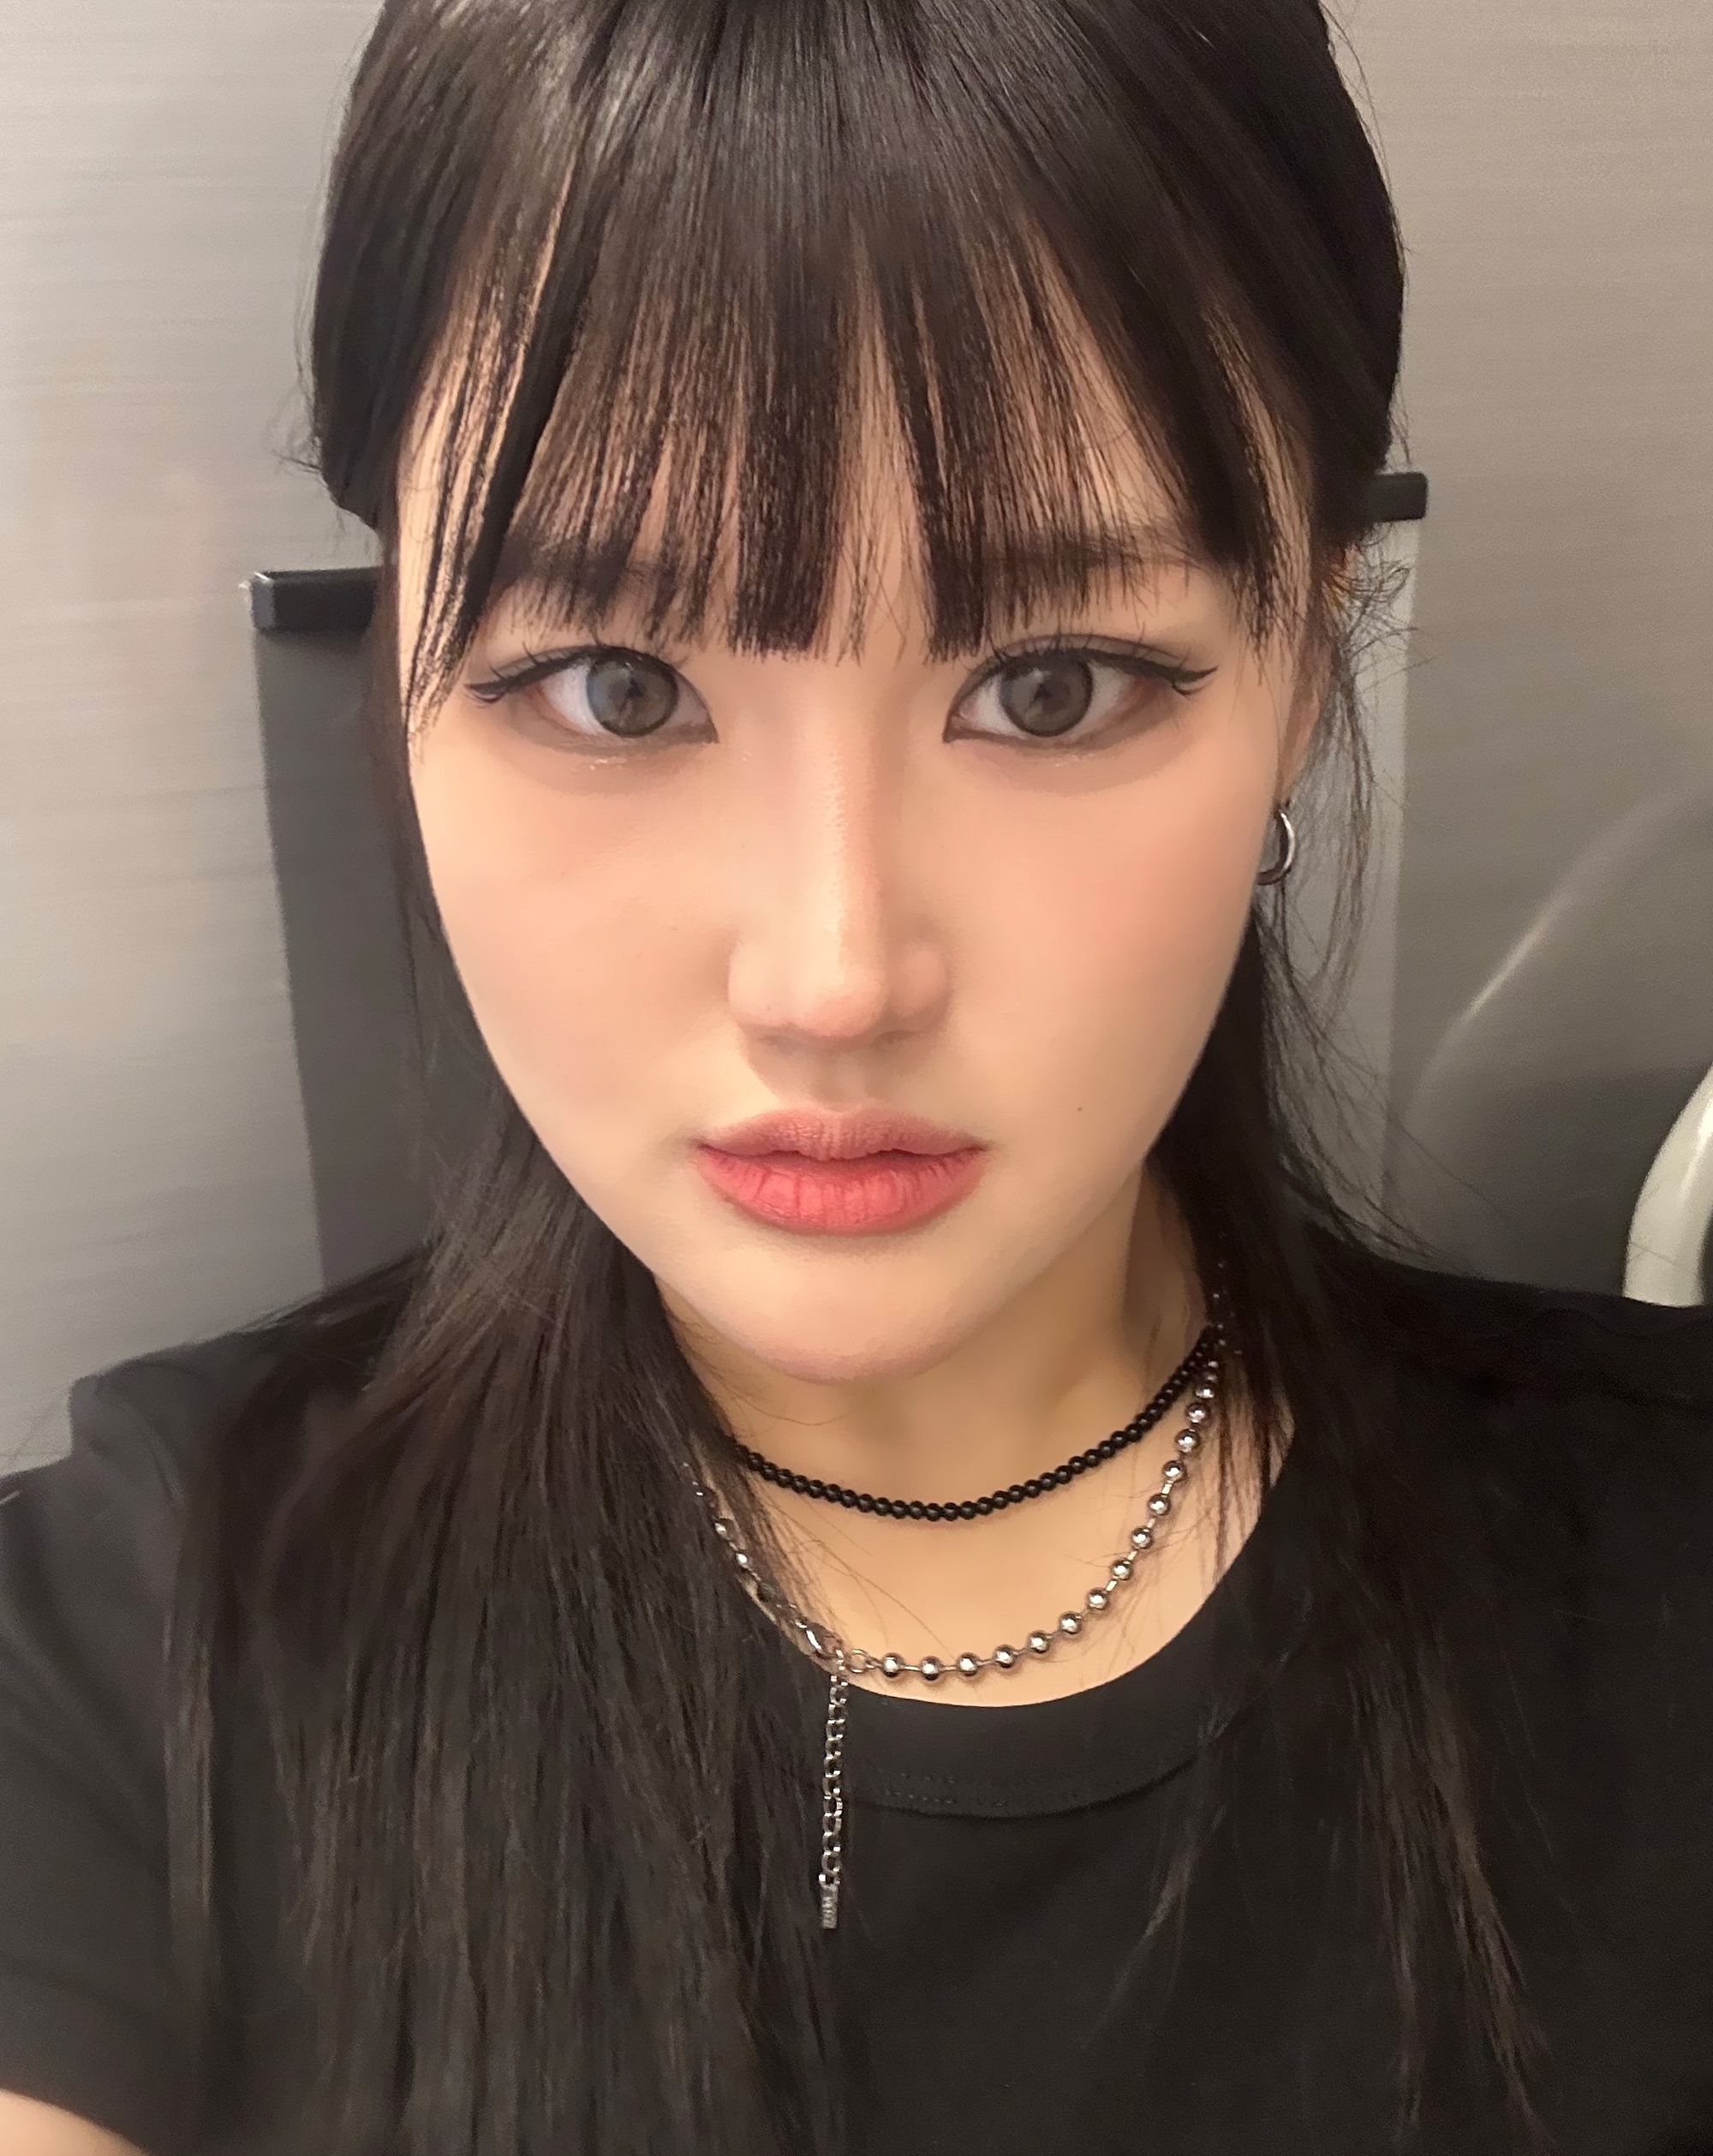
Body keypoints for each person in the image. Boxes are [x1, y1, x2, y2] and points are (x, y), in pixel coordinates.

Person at [3, 0, 1712, 2150]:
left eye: (1051, 684)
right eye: (614, 687)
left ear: (1304, 667)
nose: (833, 979)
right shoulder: (120, 1664)